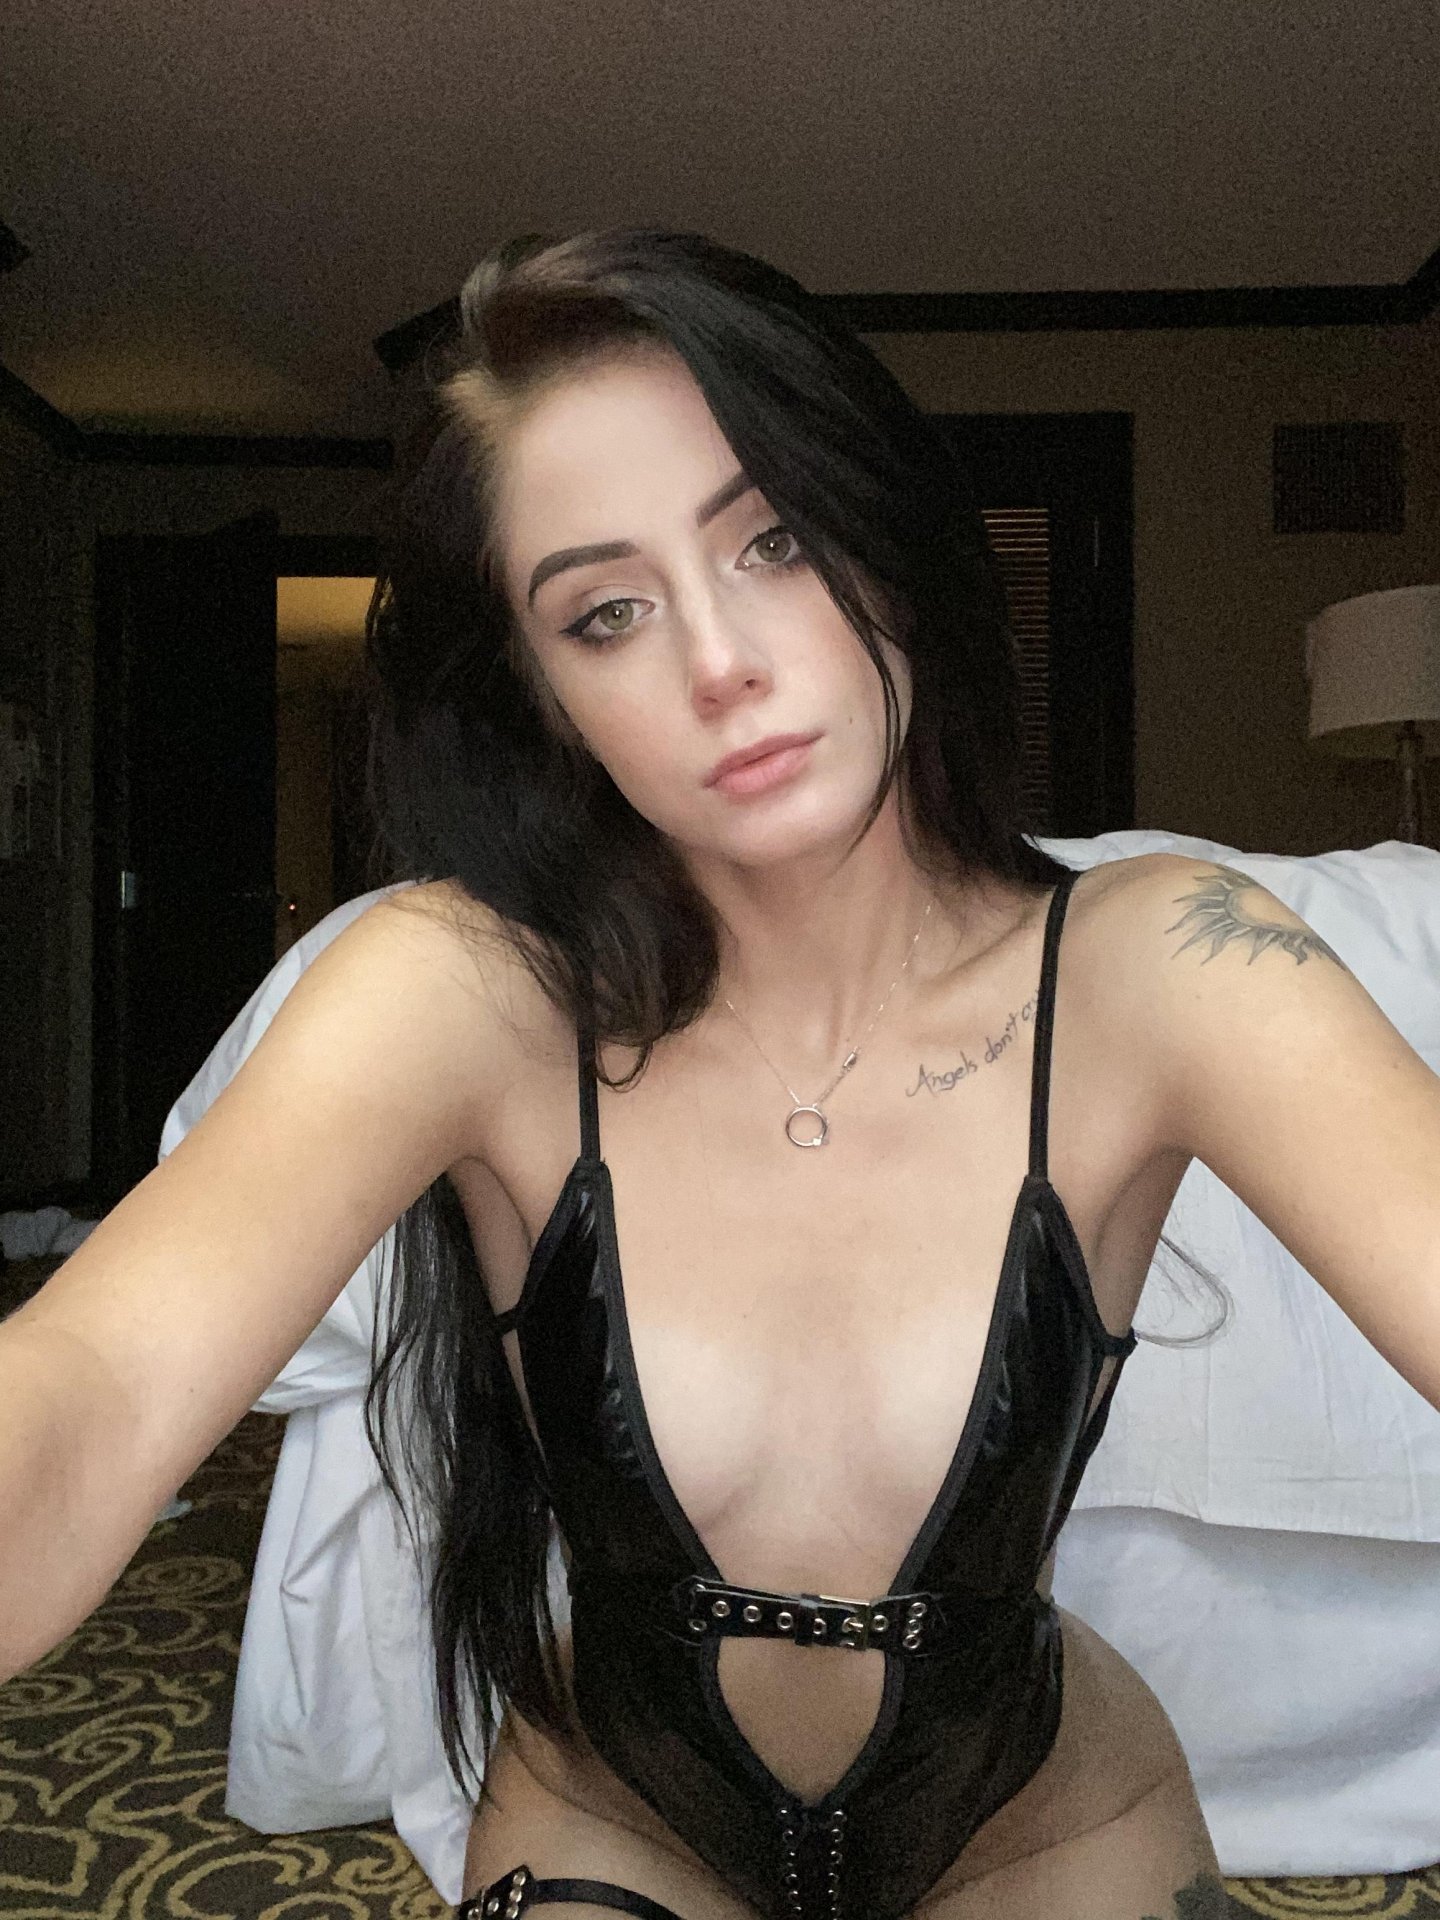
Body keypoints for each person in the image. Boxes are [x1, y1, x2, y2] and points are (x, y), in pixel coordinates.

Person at [4, 229, 1439, 1920]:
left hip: (1041, 1820)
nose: (719, 661)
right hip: (619, 1814)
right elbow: (91, 1387)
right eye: (605, 612)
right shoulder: (460, 991)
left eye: (775, 540)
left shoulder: (1167, 963)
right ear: (542, 692)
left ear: (885, 538)